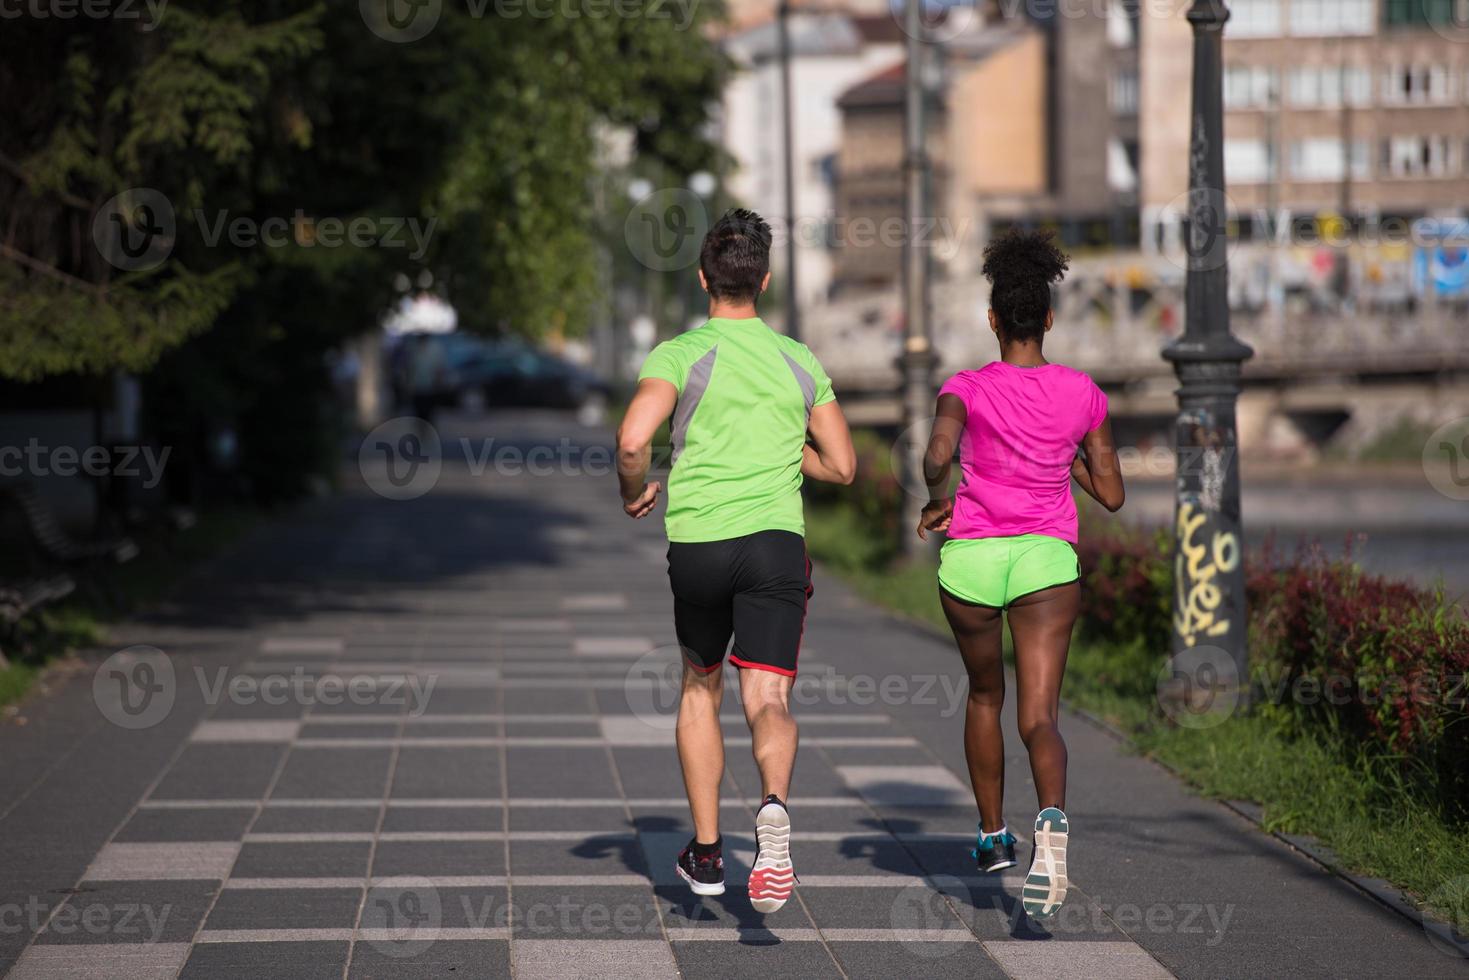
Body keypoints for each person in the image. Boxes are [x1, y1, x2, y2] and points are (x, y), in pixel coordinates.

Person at [616, 209, 856, 912]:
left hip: (698, 546)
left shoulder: (678, 354)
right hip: (775, 546)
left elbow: (633, 442)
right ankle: (773, 807)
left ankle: (709, 852)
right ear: (766, 281)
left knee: (700, 686)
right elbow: (842, 465)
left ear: (702, 280)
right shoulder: (798, 360)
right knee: (769, 697)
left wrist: (635, 490)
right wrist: (788, 452)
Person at [917, 228, 1124, 920]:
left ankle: (989, 835)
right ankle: (1052, 823)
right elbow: (1113, 493)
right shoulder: (1082, 394)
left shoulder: (963, 387)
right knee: (1039, 716)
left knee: (983, 696)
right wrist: (1060, 455)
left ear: (992, 320)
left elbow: (935, 456)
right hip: (1044, 562)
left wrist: (938, 491)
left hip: (972, 561)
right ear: (1049, 319)